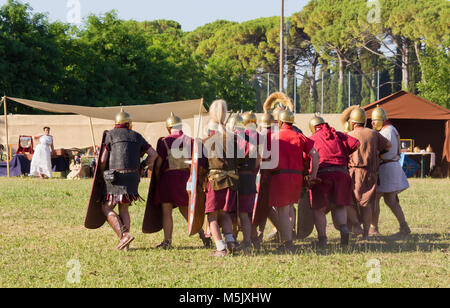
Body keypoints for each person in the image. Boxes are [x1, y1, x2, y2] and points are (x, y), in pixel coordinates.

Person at [98, 108, 158, 251]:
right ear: (129, 124)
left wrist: (101, 174)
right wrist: (142, 166)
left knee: (106, 207)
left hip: (115, 177)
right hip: (132, 177)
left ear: (116, 123)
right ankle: (126, 246)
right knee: (124, 207)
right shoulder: (137, 136)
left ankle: (124, 235)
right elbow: (153, 155)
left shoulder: (110, 135)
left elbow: (102, 160)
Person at [152, 112, 211, 249]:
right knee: (186, 209)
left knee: (167, 210)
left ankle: (167, 241)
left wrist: (157, 177)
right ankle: (204, 237)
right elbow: (199, 163)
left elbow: (159, 163)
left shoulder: (164, 141)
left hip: (167, 178)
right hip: (185, 179)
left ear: (168, 128)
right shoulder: (190, 140)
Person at [269, 109, 319, 252]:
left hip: (281, 177)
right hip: (296, 178)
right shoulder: (299, 135)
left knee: (283, 211)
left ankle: (288, 243)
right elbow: (315, 155)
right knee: (290, 208)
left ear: (280, 121)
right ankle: (288, 238)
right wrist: (313, 174)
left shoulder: (275, 136)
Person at [308, 115, 360, 248]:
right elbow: (356, 143)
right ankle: (344, 230)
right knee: (339, 205)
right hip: (342, 173)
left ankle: (322, 240)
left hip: (323, 174)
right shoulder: (338, 135)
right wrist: (344, 152)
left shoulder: (312, 138)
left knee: (318, 208)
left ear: (314, 127)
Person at [200, 99, 239, 257]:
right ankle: (231, 242)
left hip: (215, 181)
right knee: (225, 214)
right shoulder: (233, 138)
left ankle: (220, 248)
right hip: (231, 181)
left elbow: (201, 164)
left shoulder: (208, 141)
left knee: (212, 215)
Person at [346, 106, 391, 240]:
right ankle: (366, 234)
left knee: (350, 201)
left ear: (353, 123)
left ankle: (355, 225)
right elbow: (388, 146)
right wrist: (377, 154)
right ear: (364, 121)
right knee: (368, 203)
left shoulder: (349, 135)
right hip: (371, 172)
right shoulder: (373, 133)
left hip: (355, 172)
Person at [371, 106, 411, 236]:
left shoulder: (386, 132)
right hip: (392, 166)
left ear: (382, 120)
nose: (373, 123)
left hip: (386, 168)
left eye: (375, 120)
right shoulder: (392, 129)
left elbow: (382, 150)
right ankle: (404, 226)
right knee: (391, 200)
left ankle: (373, 228)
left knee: (376, 198)